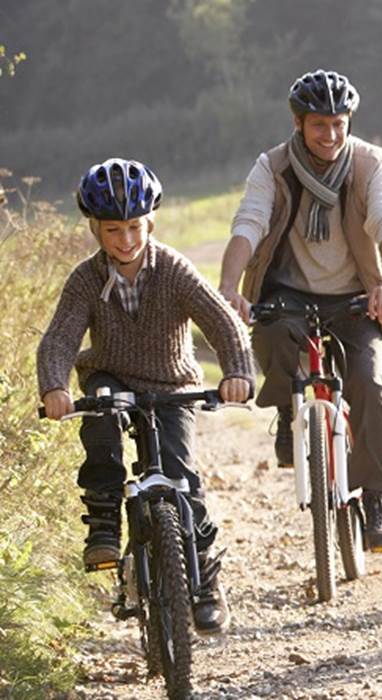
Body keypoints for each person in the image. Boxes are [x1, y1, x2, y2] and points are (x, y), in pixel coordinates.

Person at [38, 158, 255, 634]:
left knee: (183, 478)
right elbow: (60, 338)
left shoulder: (173, 268)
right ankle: (102, 525)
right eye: (112, 229)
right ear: (95, 229)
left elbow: (221, 319)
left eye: (135, 227)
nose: (126, 240)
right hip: (111, 378)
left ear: (150, 222)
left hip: (170, 383)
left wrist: (238, 369)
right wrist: (54, 386)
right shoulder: (86, 279)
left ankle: (203, 586)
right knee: (100, 418)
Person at [218, 70, 382, 551]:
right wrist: (228, 286)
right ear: (299, 124)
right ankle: (287, 409)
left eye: (339, 123)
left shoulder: (369, 163)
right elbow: (250, 222)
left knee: (369, 382)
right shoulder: (273, 167)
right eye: (319, 125)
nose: (331, 135)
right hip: (290, 291)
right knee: (275, 335)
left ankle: (377, 498)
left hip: (356, 293)